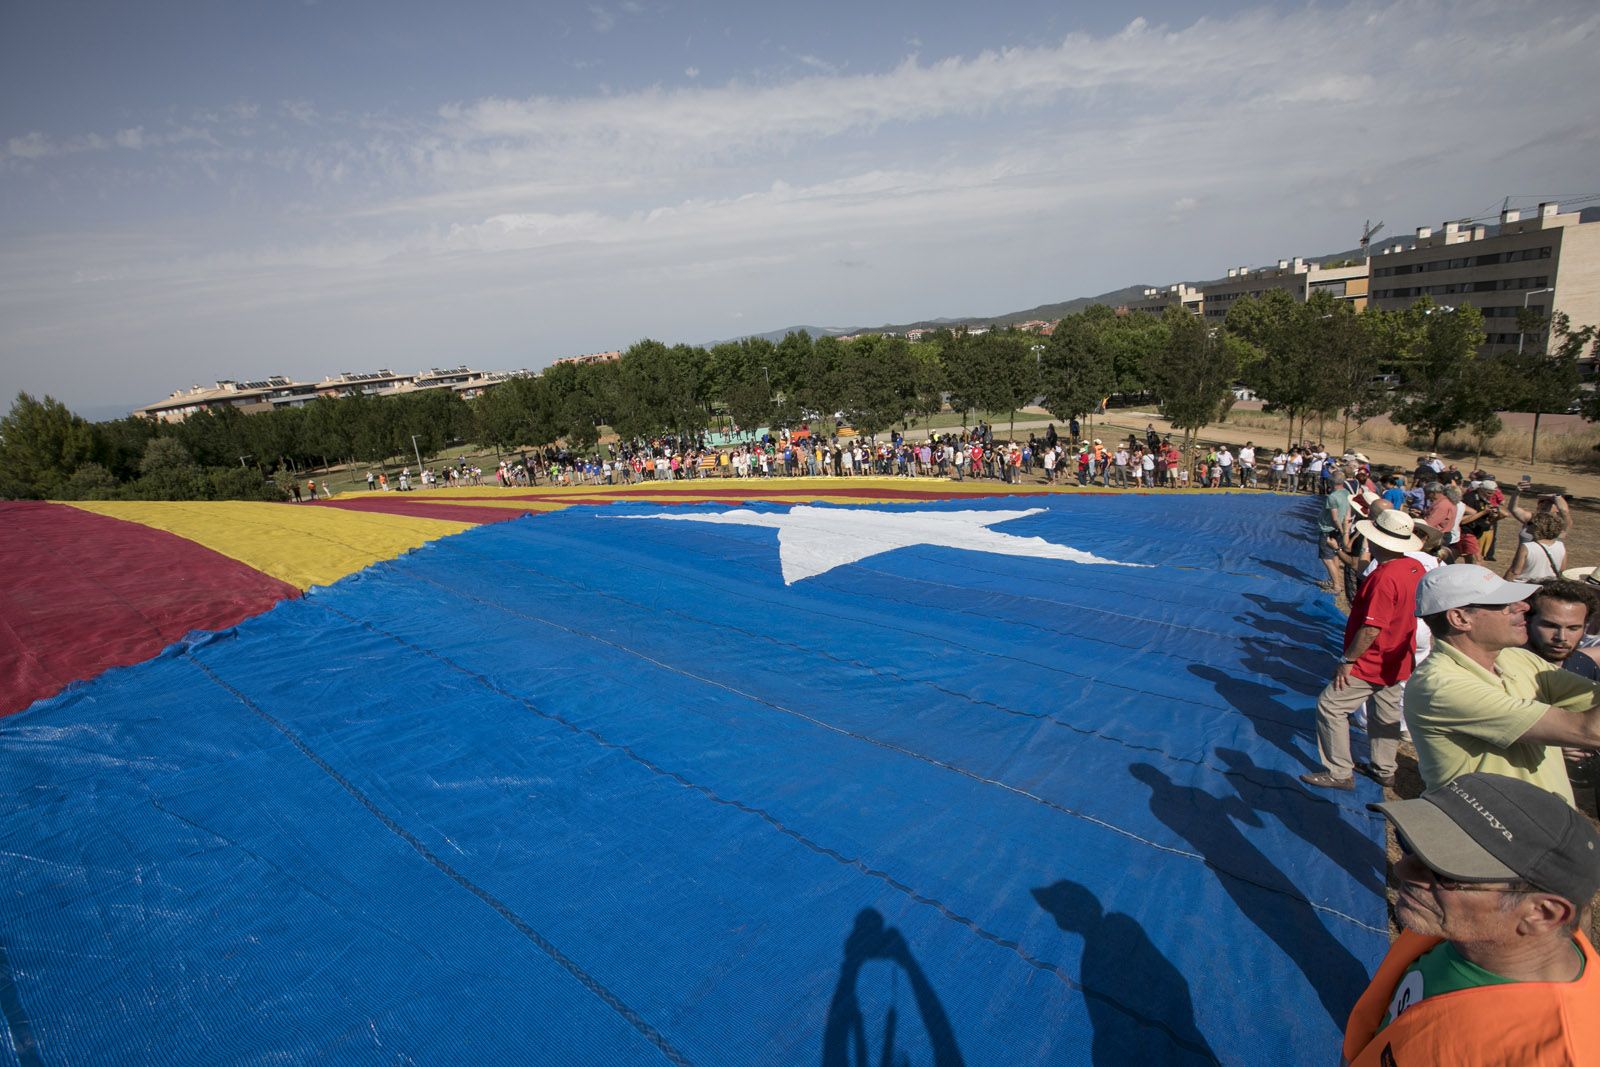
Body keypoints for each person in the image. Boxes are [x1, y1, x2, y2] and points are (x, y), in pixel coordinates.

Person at [1342, 772, 1600, 1066]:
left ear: (1541, 913)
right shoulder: (1456, 928)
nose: (1403, 870)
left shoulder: (1559, 1055)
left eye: (1446, 874)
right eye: (1412, 847)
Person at [1406, 566, 1600, 804]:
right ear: (1460, 618)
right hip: (1493, 837)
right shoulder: (1440, 686)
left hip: (1548, 830)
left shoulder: (1514, 658)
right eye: (1503, 604)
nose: (1524, 607)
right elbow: (1590, 731)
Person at [1301, 509, 1427, 791]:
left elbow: (1371, 628)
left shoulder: (1384, 578)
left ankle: (1339, 771)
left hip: (1373, 658)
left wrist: (1349, 659)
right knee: (1385, 712)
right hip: (1397, 655)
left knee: (1330, 706)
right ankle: (1384, 768)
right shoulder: (1414, 568)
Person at [1503, 511, 1567, 583]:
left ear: (1538, 527)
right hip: (1548, 587)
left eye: (1530, 523)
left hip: (1527, 586)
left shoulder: (1527, 547)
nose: (1527, 525)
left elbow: (1515, 571)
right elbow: (1562, 570)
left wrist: (1503, 584)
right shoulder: (1560, 546)